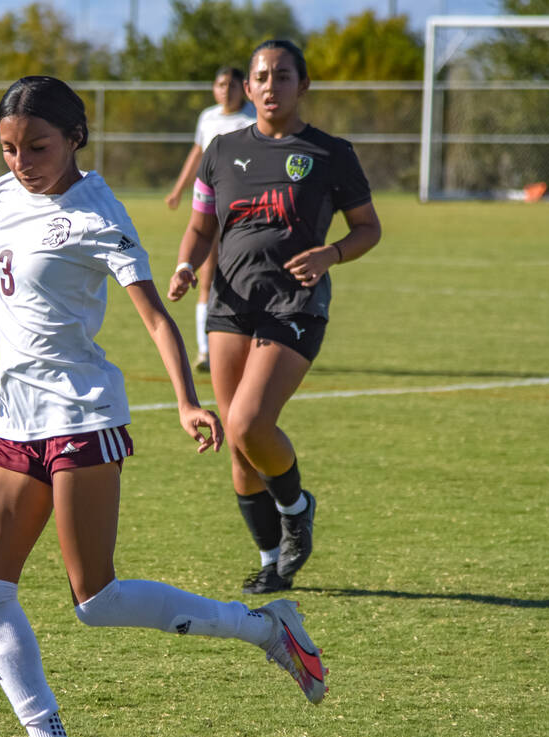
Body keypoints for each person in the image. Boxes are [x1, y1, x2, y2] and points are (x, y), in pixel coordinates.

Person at [0, 75, 328, 737]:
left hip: (82, 413)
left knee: (97, 600)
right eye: (10, 148)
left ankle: (269, 629)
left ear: (75, 136)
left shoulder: (97, 211)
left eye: (37, 146)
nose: (22, 161)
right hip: (15, 412)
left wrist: (186, 402)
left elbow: (153, 317)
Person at [168, 41, 382, 595]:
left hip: (296, 303)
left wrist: (331, 253)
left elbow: (367, 228)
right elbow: (200, 225)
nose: (269, 85)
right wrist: (188, 265)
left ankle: (297, 507)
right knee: (239, 452)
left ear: (302, 85)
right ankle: (272, 560)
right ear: (247, 88)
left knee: (246, 422)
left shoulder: (331, 153)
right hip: (231, 304)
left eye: (282, 76)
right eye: (260, 76)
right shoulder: (220, 150)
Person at [165, 67, 256, 373]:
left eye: (232, 85)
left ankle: (251, 344)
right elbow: (197, 154)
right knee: (206, 277)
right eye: (220, 84)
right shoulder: (208, 118)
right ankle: (205, 351)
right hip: (210, 203)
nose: (226, 90)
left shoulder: (254, 118)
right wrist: (178, 189)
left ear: (243, 88)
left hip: (245, 209)